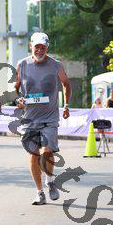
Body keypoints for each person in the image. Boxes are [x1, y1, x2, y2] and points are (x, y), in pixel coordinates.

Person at [15, 32, 72, 206]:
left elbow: (66, 84)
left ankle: (50, 179)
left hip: (49, 117)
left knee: (46, 151)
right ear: (31, 46)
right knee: (34, 155)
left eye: (43, 47)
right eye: (37, 47)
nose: (40, 50)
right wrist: (18, 99)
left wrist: (66, 105)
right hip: (30, 119)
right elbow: (16, 88)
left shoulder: (56, 65)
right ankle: (39, 193)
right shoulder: (22, 64)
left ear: (47, 48)